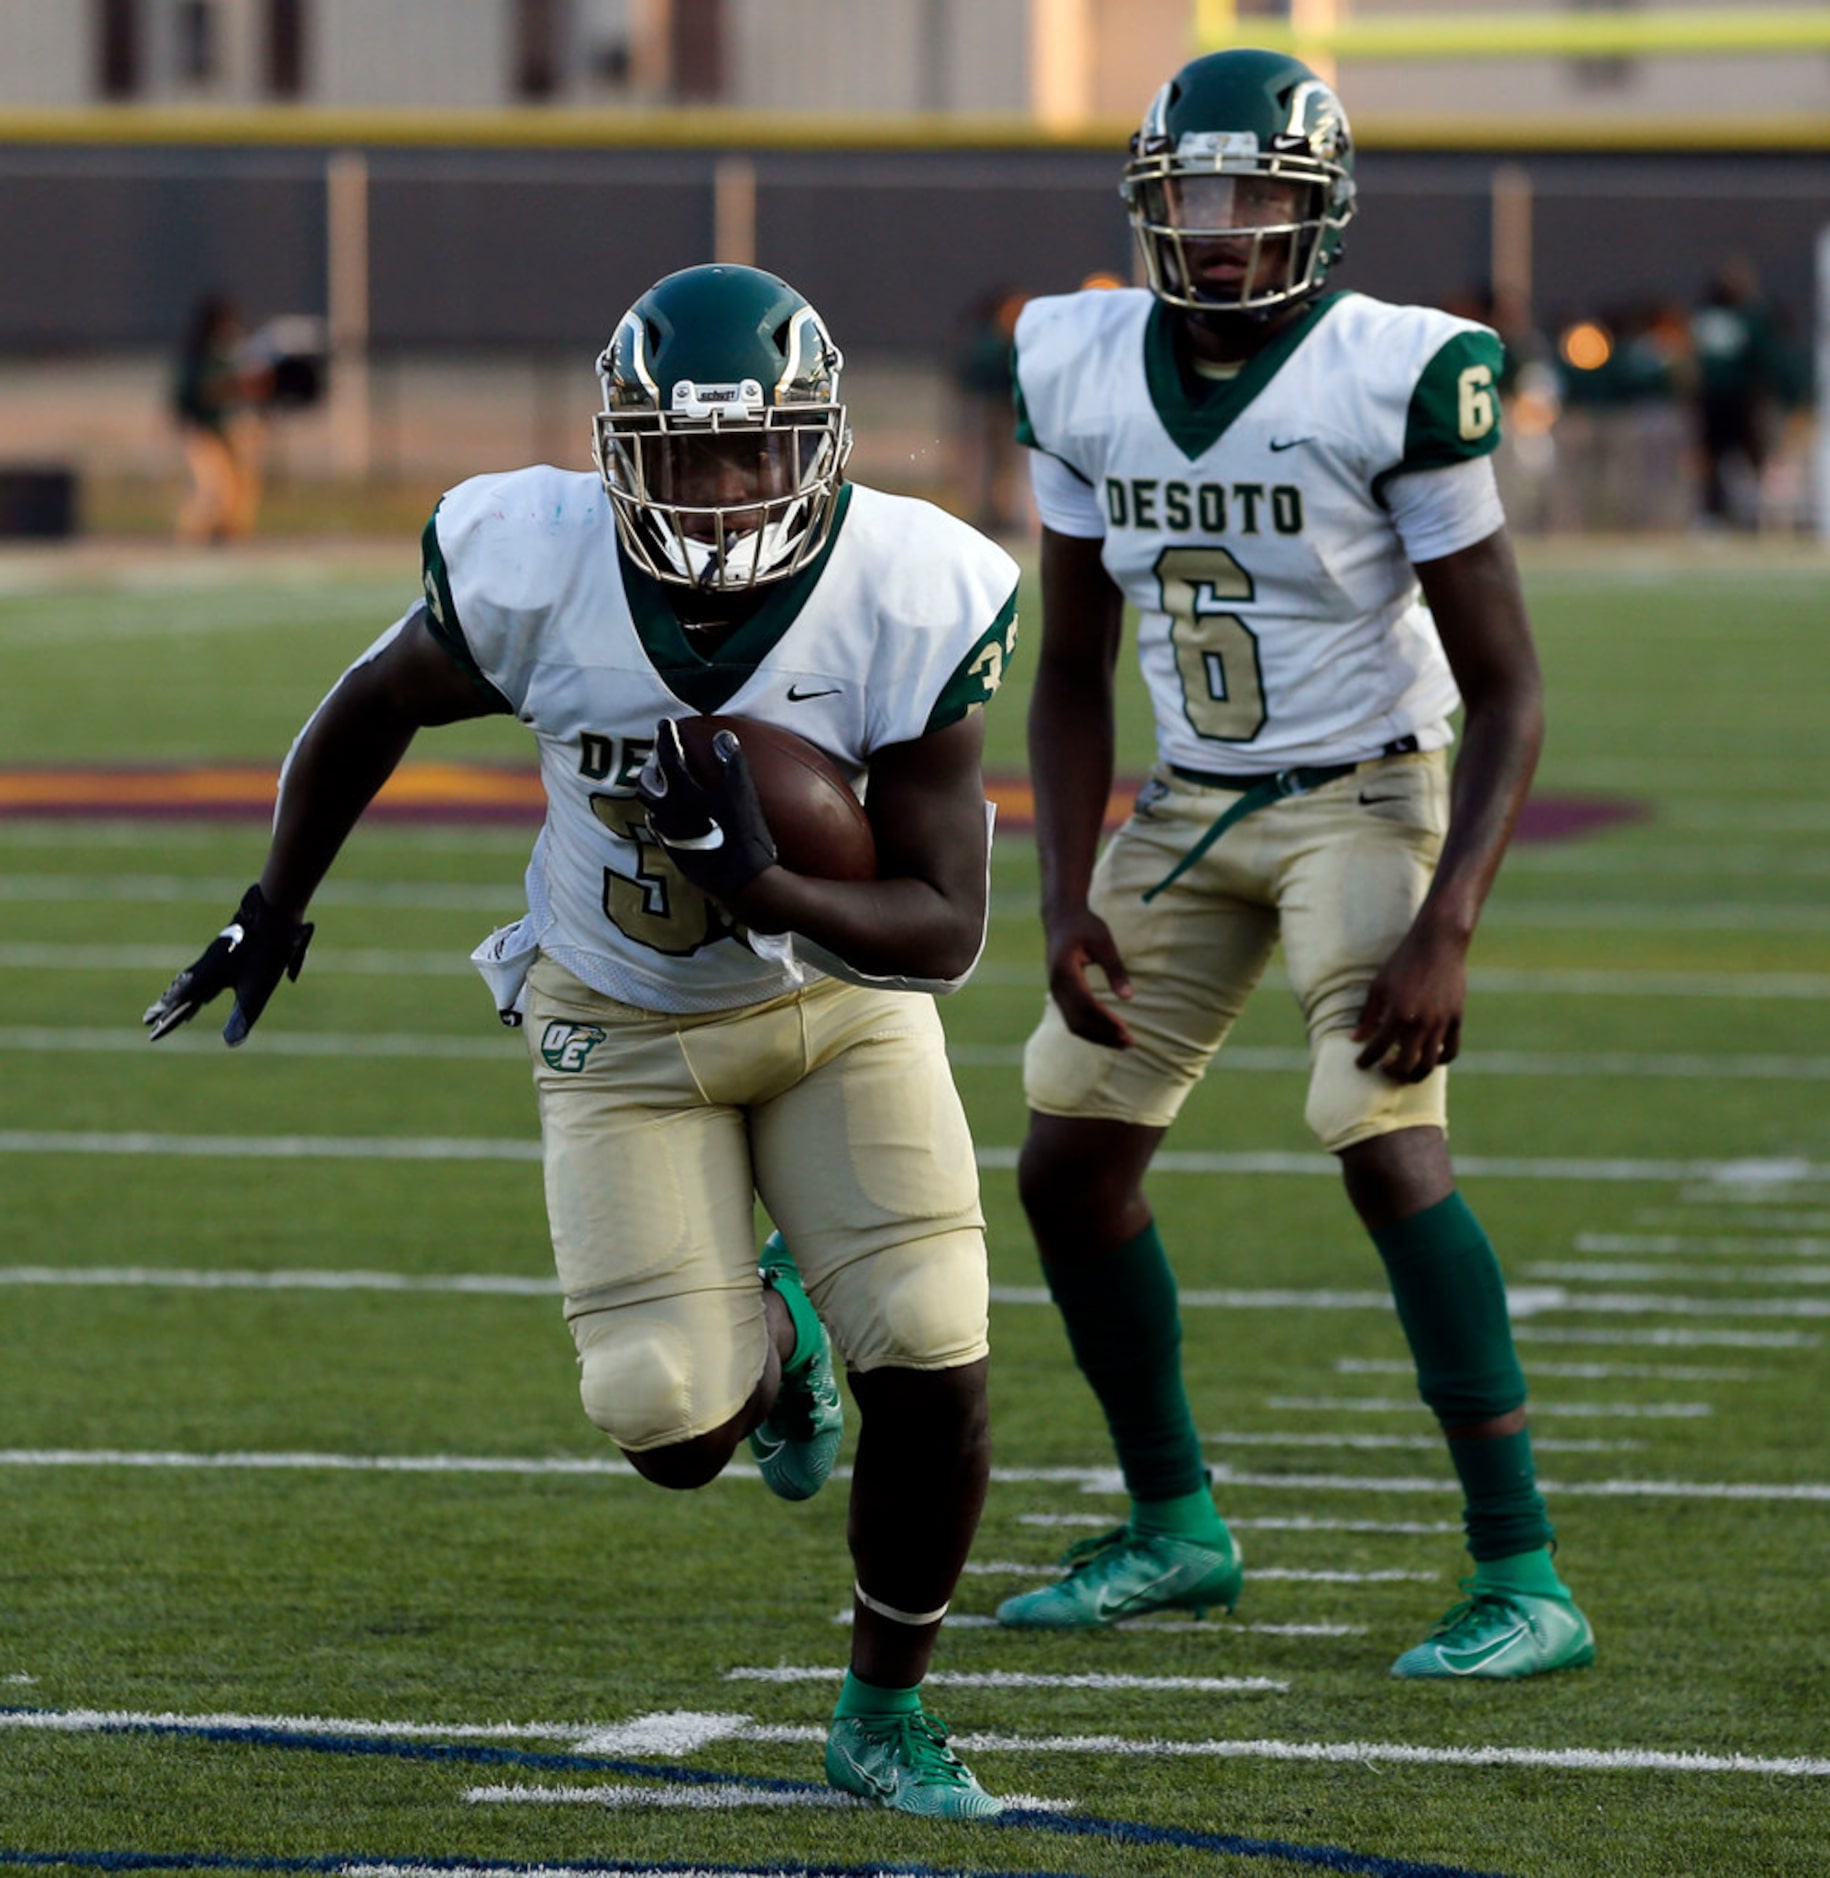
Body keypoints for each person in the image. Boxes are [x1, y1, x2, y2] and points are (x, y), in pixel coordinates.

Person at [143, 264, 1020, 1815]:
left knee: (940, 1351)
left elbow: (944, 930)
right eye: (682, 456)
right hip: (613, 1018)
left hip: (831, 1011)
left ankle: (883, 1708)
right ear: (616, 451)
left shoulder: (910, 584)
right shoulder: (534, 561)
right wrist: (269, 907)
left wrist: (766, 880)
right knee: (667, 1425)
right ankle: (773, 1333)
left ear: (817, 443)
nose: (722, 489)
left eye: (752, 451)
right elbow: (370, 703)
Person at [996, 49, 1594, 1681]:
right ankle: (1176, 1524)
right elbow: (1064, 667)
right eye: (1192, 192)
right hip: (1190, 796)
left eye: (1255, 192)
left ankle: (1524, 1568)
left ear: (1315, 209)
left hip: (1363, 786)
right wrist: (1061, 895)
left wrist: (1449, 923)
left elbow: (1516, 689)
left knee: (1377, 1130)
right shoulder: (1074, 359)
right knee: (1066, 1156)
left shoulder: (1395, 371)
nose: (1219, 226)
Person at [172, 293, 270, 544]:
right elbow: (205, 393)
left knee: (241, 488)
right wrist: (237, 386)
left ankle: (230, 538)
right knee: (213, 488)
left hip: (226, 430)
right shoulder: (201, 354)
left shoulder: (229, 352)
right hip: (202, 431)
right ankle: (190, 539)